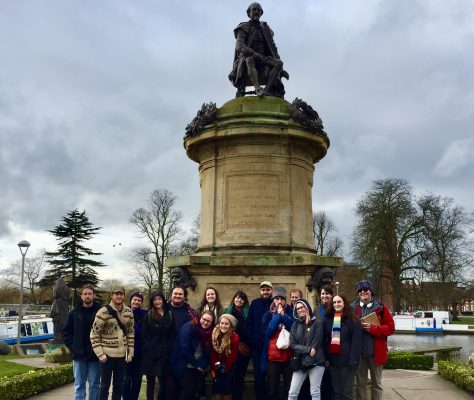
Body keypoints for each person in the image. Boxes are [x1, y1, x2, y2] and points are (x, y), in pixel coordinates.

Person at [229, 2, 289, 98]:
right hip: (248, 58)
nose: (256, 12)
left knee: (279, 63)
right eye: (254, 9)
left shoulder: (266, 28)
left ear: (261, 13)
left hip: (264, 59)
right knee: (249, 60)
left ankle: (266, 90)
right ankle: (257, 88)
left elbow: (273, 48)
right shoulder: (243, 27)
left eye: (258, 10)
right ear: (249, 12)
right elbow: (239, 45)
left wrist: (281, 70)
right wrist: (253, 53)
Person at [351, 280, 395, 400]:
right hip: (360, 353)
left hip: (376, 353)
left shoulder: (381, 308)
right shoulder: (352, 308)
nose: (362, 292)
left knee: (377, 384)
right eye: (360, 290)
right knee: (361, 384)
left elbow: (391, 328)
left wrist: (373, 328)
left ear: (371, 292)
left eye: (365, 290)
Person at [90, 286, 134, 400]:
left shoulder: (129, 312)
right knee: (104, 386)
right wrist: (100, 354)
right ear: (112, 295)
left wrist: (130, 353)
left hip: (121, 356)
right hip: (107, 355)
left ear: (124, 295)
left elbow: (130, 333)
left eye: (121, 294)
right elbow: (94, 334)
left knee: (119, 385)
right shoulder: (103, 312)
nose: (119, 296)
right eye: (116, 294)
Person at [62, 285, 101, 400]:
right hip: (79, 356)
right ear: (81, 296)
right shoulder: (74, 312)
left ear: (93, 295)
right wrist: (74, 347)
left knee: (94, 385)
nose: (87, 296)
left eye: (90, 294)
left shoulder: (101, 312)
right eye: (85, 294)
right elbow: (65, 332)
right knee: (79, 385)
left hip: (95, 355)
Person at [323, 293, 362, 400]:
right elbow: (325, 339)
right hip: (333, 361)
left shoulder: (353, 320)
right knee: (336, 392)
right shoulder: (328, 319)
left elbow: (356, 343)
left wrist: (353, 361)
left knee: (347, 393)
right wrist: (326, 356)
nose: (336, 304)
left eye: (339, 301)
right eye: (334, 302)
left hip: (347, 362)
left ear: (344, 303)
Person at [288, 299, 325, 400]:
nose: (300, 310)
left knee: (315, 392)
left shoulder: (317, 323)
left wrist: (309, 359)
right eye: (298, 308)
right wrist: (308, 350)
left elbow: (316, 344)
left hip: (316, 362)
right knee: (292, 392)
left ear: (307, 307)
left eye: (302, 307)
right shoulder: (295, 325)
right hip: (300, 362)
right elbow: (292, 344)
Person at [141, 291, 175, 400]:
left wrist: (169, 347)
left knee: (169, 384)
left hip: (165, 354)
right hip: (152, 355)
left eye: (159, 299)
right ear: (152, 302)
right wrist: (149, 348)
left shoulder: (169, 314)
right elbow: (144, 334)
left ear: (163, 300)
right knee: (150, 384)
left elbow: (173, 334)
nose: (157, 302)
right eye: (155, 300)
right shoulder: (149, 315)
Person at [262, 287, 294, 400]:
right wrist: (277, 316)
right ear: (273, 300)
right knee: (272, 389)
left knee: (289, 388)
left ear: (285, 300)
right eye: (277, 299)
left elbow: (294, 330)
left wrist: (284, 316)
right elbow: (269, 333)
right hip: (273, 358)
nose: (279, 301)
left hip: (288, 356)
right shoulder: (268, 314)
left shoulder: (292, 311)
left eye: (282, 299)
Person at [167, 285, 199, 399]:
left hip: (183, 356)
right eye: (175, 293)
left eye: (180, 294)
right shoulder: (163, 309)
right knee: (168, 389)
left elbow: (196, 333)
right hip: (166, 355)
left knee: (186, 388)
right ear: (171, 295)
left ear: (185, 296)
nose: (177, 296)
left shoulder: (191, 312)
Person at [176, 310, 215, 400]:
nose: (205, 322)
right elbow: (184, 348)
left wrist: (202, 364)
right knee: (189, 388)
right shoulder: (189, 327)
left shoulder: (211, 332)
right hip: (185, 363)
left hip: (199, 364)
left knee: (199, 389)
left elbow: (209, 351)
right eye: (204, 319)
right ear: (200, 317)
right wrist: (197, 364)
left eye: (209, 321)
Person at [246, 281, 273, 400]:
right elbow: (249, 324)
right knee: (258, 376)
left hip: (273, 347)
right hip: (257, 347)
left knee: (272, 376)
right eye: (263, 290)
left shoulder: (276, 302)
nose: (265, 292)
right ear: (260, 291)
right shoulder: (255, 304)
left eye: (268, 289)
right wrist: (253, 339)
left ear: (271, 290)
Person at [224, 290, 251, 400]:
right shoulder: (227, 312)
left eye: (242, 299)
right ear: (234, 298)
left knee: (240, 376)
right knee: (231, 376)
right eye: (237, 298)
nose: (239, 300)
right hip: (230, 348)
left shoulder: (247, 313)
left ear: (244, 301)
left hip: (244, 349)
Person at [123, 291, 147, 400]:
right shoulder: (123, 311)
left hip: (140, 352)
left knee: (137, 380)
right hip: (125, 352)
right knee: (126, 379)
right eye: (135, 300)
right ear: (131, 300)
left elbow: (145, 331)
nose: (136, 302)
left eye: (139, 300)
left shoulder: (144, 314)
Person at [211, 314, 240, 400]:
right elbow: (213, 352)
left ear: (231, 325)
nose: (223, 326)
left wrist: (225, 369)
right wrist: (215, 366)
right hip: (216, 364)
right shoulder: (214, 334)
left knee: (226, 388)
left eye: (226, 324)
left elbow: (232, 357)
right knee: (217, 388)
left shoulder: (235, 338)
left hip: (229, 365)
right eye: (222, 323)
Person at [318, 285, 334, 400]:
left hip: (333, 347)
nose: (324, 296)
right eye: (323, 293)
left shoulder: (336, 308)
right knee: (323, 380)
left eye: (327, 294)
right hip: (320, 347)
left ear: (331, 295)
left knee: (332, 380)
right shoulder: (316, 309)